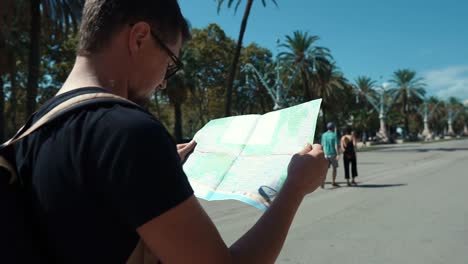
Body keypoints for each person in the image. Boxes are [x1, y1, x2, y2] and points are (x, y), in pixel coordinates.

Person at [13, 1, 328, 263]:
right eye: (170, 62)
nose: (164, 81)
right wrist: (294, 188)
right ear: (139, 37)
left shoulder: (29, 132)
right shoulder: (127, 133)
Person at [321, 122, 340, 188]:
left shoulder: (323, 135)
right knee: (334, 168)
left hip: (326, 154)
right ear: (333, 128)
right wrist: (338, 154)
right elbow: (336, 145)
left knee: (325, 169)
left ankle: (322, 182)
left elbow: (322, 145)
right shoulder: (334, 135)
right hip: (333, 154)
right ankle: (333, 182)